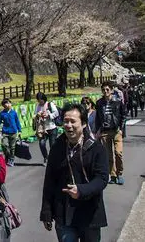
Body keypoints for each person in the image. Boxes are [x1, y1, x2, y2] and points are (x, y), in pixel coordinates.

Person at [39, 103, 109, 242]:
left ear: (83, 124)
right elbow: (50, 181)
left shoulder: (96, 148)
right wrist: (46, 211)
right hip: (64, 214)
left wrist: (82, 190)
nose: (68, 125)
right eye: (65, 121)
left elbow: (102, 178)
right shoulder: (57, 147)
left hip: (90, 213)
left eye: (73, 121)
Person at [94, 83, 125, 185]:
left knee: (118, 153)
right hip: (105, 131)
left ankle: (119, 173)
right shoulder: (99, 103)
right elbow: (98, 118)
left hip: (116, 131)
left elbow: (123, 116)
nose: (105, 92)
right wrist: (98, 131)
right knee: (108, 155)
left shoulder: (118, 102)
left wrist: (122, 129)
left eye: (107, 89)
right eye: (103, 90)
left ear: (111, 90)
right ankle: (112, 175)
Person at [34, 92, 60, 165]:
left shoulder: (49, 104)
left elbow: (56, 113)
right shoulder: (37, 106)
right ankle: (46, 158)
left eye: (41, 100)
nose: (40, 101)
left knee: (52, 145)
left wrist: (48, 115)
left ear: (44, 99)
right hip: (42, 129)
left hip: (51, 127)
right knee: (42, 144)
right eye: (38, 100)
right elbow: (35, 115)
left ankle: (53, 159)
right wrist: (38, 115)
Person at [0, 99, 22, 167]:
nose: (7, 105)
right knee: (4, 145)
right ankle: (8, 156)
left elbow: (17, 122)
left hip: (13, 131)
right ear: (3, 106)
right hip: (5, 132)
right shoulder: (2, 113)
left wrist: (19, 130)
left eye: (8, 103)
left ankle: (11, 159)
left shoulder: (14, 113)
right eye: (6, 104)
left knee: (12, 147)